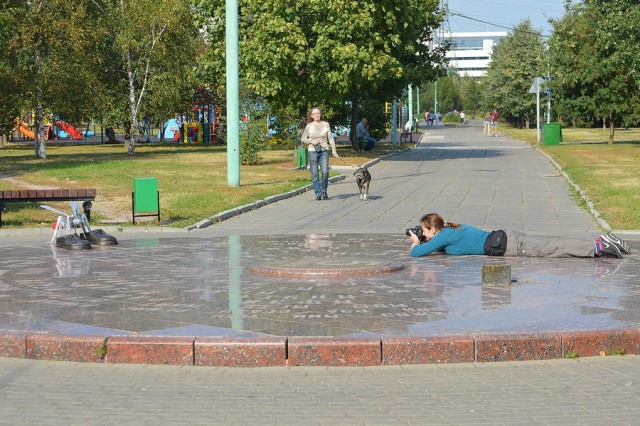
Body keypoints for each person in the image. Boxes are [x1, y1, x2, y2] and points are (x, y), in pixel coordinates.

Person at [408, 212, 631, 258]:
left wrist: (416, 241)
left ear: (432, 229)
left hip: (507, 246)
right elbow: (441, 246)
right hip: (505, 235)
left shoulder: (444, 235)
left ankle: (597, 247)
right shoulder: (451, 229)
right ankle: (601, 240)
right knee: (552, 244)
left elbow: (417, 253)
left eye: (424, 229)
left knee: (552, 249)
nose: (423, 233)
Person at [301, 107, 339, 200]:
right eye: (315, 114)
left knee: (325, 172)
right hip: (312, 151)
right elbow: (303, 139)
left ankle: (324, 190)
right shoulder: (309, 126)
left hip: (324, 151)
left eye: (318, 113)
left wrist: (334, 150)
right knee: (314, 174)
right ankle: (318, 193)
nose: (317, 115)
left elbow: (330, 138)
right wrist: (311, 141)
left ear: (320, 114)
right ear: (312, 116)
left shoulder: (326, 124)